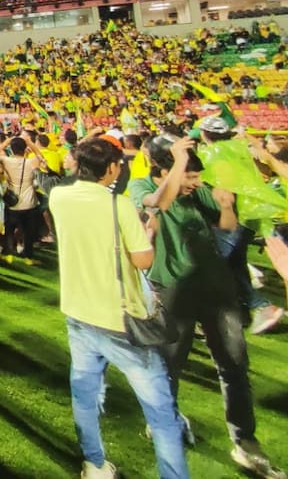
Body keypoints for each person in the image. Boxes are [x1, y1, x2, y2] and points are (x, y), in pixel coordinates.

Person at [132, 133, 284, 479]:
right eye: (189, 175)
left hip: (216, 288)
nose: (195, 183)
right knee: (170, 366)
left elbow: (225, 226)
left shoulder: (198, 188)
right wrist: (178, 165)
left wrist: (228, 206)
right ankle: (164, 422)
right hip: (172, 290)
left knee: (234, 367)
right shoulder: (142, 185)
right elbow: (157, 204)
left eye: (197, 176)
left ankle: (245, 441)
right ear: (164, 167)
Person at [48, 137, 188, 479]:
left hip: (78, 312)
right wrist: (146, 234)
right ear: (111, 168)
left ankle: (94, 465)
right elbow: (142, 259)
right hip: (120, 318)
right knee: (160, 411)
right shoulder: (119, 205)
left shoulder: (58, 196)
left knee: (85, 395)